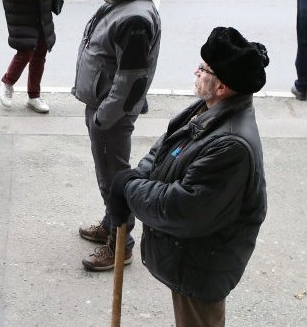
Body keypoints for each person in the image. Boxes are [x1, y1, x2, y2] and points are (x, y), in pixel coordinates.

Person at [112, 26, 268, 326]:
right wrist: (135, 179)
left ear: (221, 86)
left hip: (203, 264)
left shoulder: (230, 146)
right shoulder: (205, 109)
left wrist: (131, 191)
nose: (195, 72)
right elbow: (164, 148)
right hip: (188, 254)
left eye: (203, 69)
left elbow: (182, 208)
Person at [73, 0, 162, 272]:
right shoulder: (124, 2)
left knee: (115, 178)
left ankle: (120, 244)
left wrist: (103, 117)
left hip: (110, 114)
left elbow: (131, 80)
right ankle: (112, 223)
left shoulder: (135, 18)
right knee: (107, 173)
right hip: (103, 107)